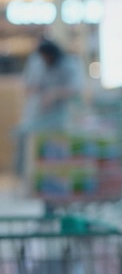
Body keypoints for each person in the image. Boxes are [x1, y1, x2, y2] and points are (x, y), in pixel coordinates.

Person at [17, 39, 82, 174]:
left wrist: (55, 93)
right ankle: (28, 177)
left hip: (59, 114)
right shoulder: (36, 62)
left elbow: (76, 88)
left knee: (56, 148)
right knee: (30, 146)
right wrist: (39, 92)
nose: (44, 59)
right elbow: (28, 86)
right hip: (36, 112)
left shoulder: (69, 64)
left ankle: (56, 177)